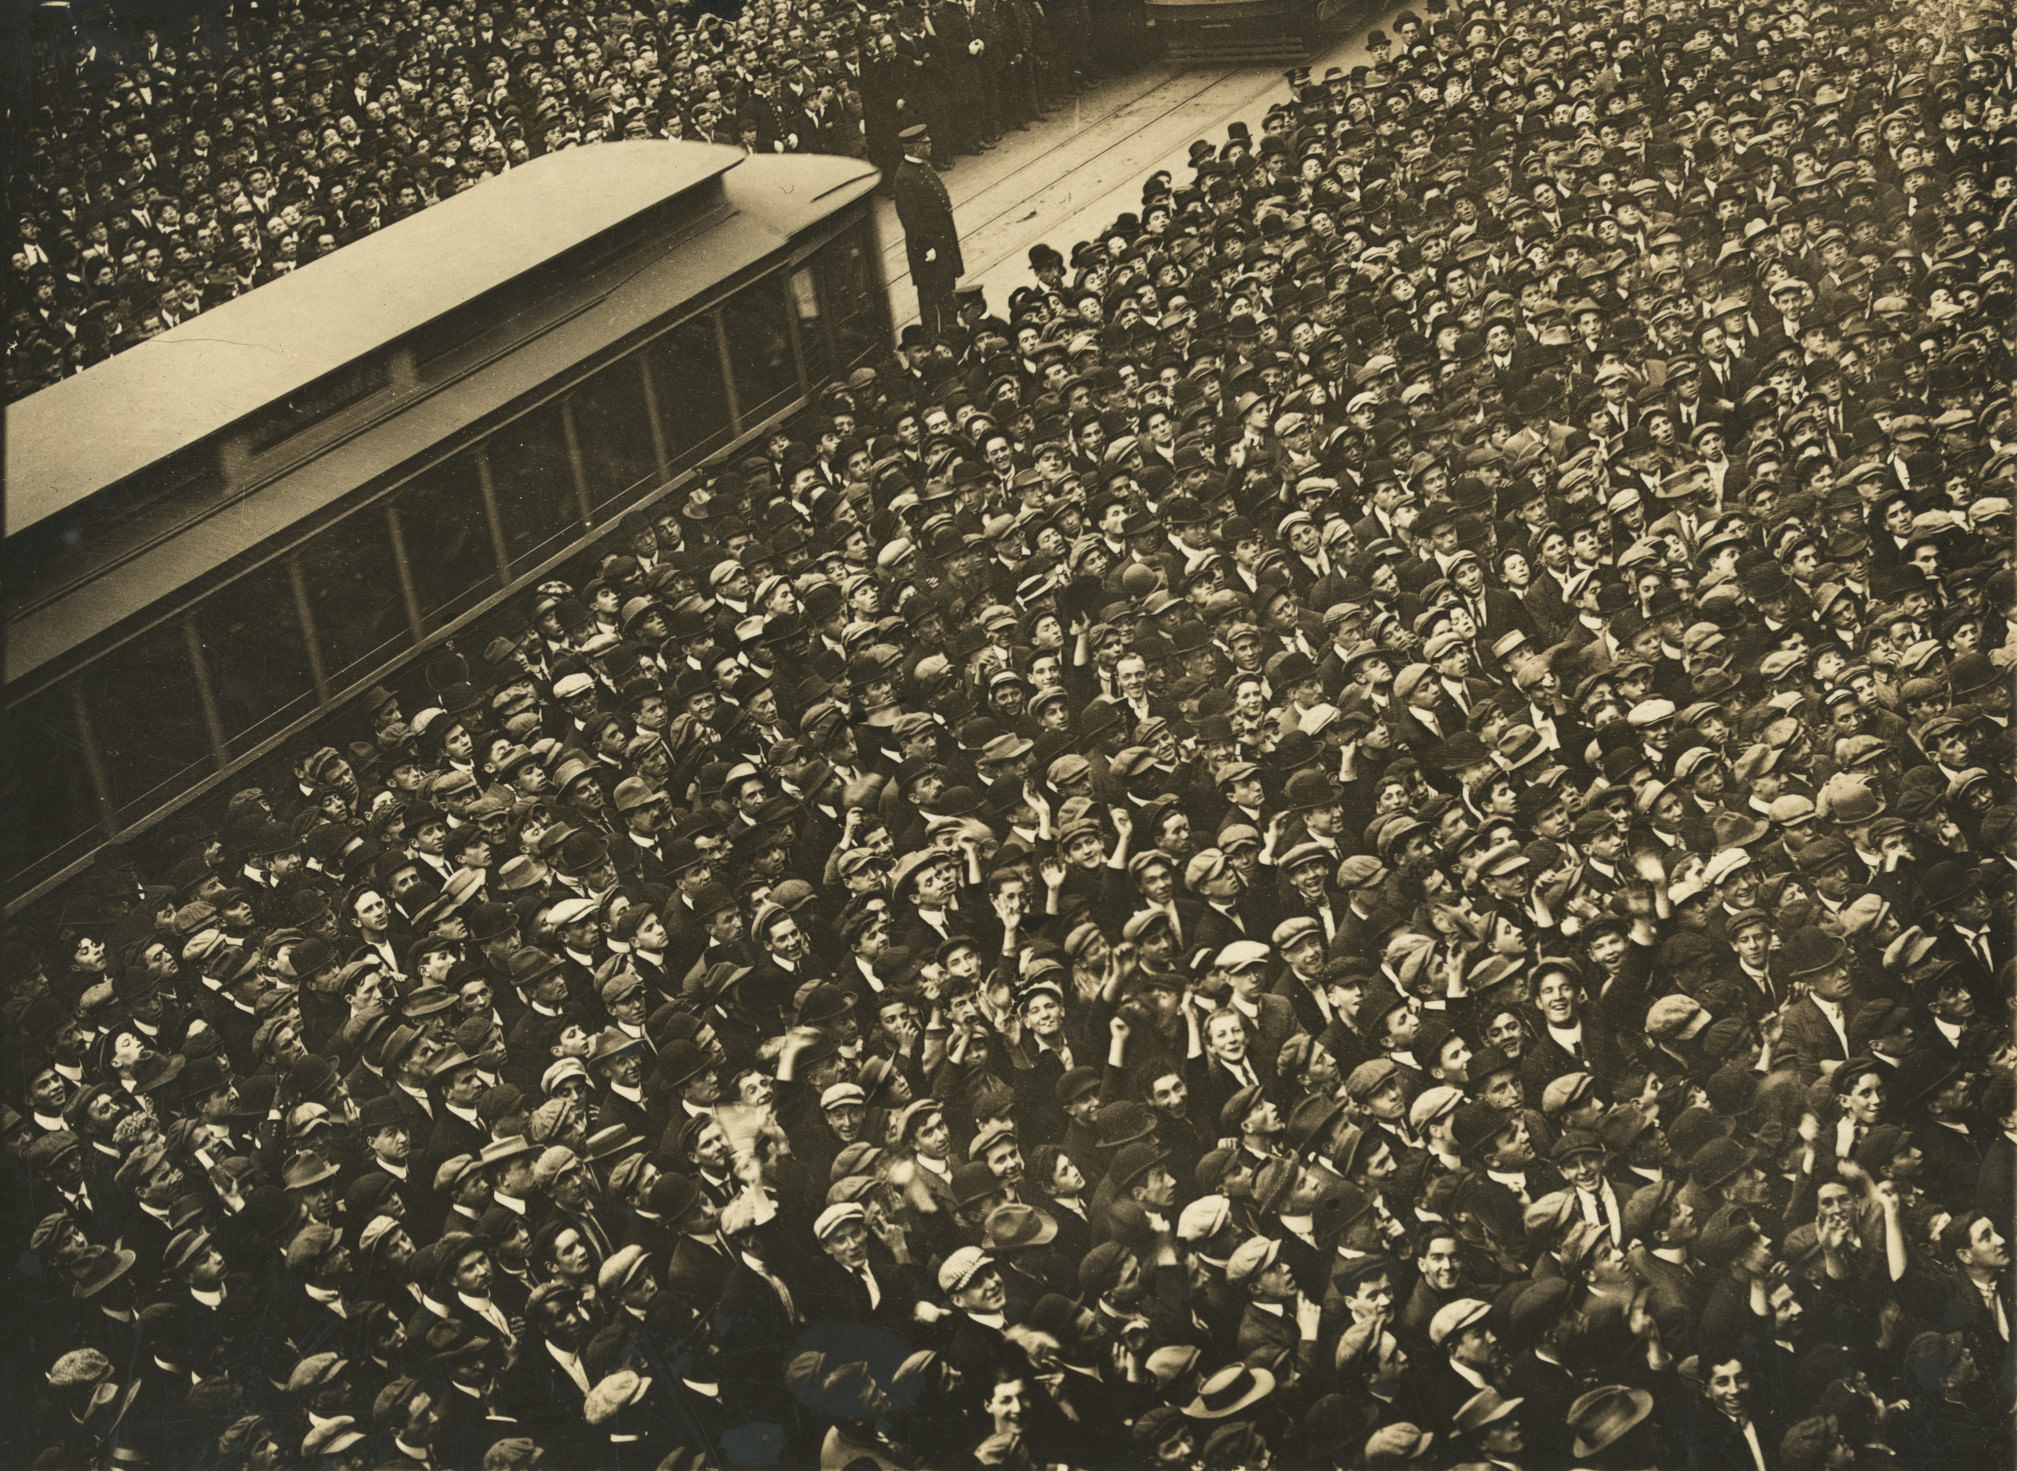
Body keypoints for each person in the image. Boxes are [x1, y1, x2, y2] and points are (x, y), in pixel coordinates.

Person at [889, 123, 963, 344]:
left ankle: (951, 331)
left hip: (942, 242)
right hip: (929, 250)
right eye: (925, 142)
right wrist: (927, 247)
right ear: (913, 147)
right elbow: (910, 219)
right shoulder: (904, 177)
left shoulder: (923, 166)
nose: (930, 144)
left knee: (946, 289)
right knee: (931, 296)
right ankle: (933, 339)